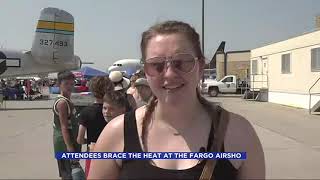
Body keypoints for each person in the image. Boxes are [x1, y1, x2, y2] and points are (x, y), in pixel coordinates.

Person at [88, 21, 265, 179]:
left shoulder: (239, 133)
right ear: (145, 71)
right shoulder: (117, 133)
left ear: (201, 67)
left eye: (182, 62)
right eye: (156, 65)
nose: (170, 74)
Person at [76, 76, 114, 177]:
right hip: (111, 150)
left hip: (93, 151)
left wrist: (87, 140)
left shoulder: (85, 112)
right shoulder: (114, 111)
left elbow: (79, 139)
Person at [52, 71, 81, 179]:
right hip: (64, 145)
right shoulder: (62, 103)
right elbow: (64, 127)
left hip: (70, 142)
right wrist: (70, 149)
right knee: (69, 176)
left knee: (72, 174)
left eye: (71, 83)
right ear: (59, 84)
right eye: (66, 84)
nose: (69, 86)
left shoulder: (68, 101)